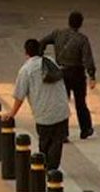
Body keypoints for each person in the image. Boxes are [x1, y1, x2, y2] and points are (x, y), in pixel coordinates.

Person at [3, 39, 70, 170]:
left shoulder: (26, 70)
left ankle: (45, 171)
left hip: (44, 114)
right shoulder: (51, 61)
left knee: (44, 144)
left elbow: (19, 96)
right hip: (61, 110)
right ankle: (53, 170)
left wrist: (12, 113)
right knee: (57, 143)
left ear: (26, 52)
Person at [39, 11, 96, 141]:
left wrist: (40, 55)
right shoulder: (82, 39)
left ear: (68, 21)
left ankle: (63, 133)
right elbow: (88, 59)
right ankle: (85, 129)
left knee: (63, 103)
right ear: (80, 24)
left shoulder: (57, 34)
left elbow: (42, 41)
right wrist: (92, 76)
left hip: (61, 73)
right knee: (80, 102)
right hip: (77, 74)